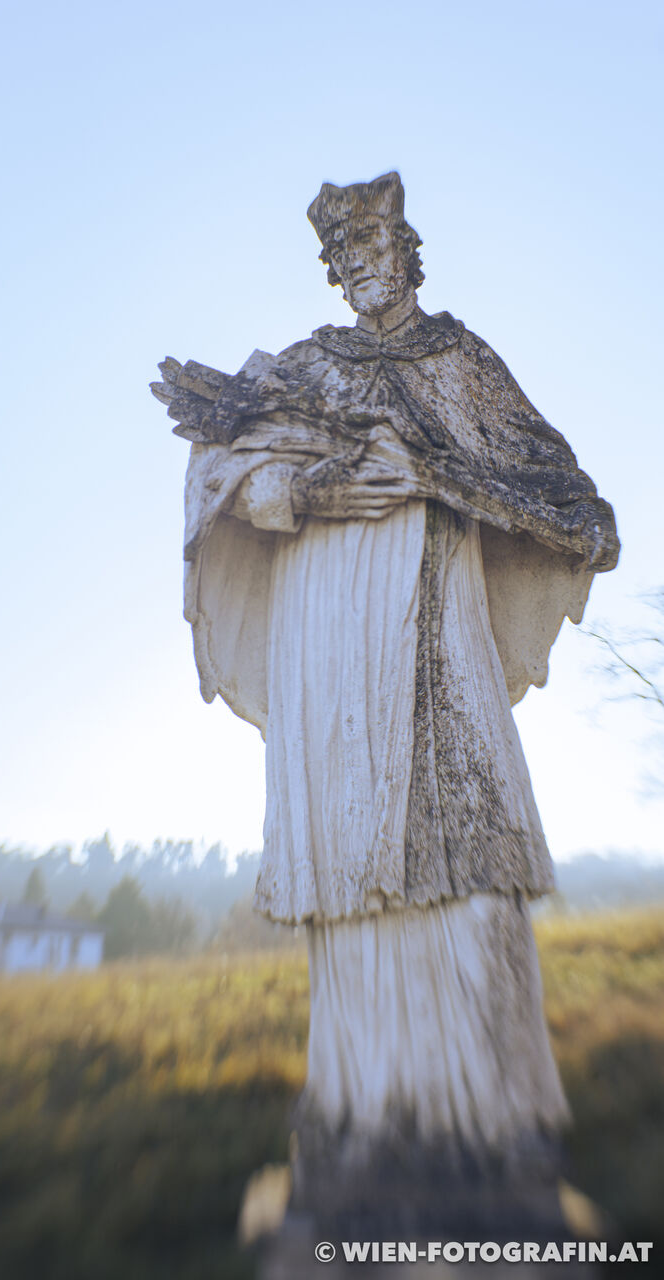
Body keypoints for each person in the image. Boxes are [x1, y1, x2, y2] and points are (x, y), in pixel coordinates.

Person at [152, 172, 618, 1233]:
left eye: (376, 252)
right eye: (344, 261)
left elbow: (574, 506)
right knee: (355, 888)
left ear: (408, 253)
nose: (363, 273)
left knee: (470, 886)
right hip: (330, 652)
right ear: (334, 272)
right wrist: (302, 493)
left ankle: (490, 1139)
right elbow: (220, 479)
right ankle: (364, 1129)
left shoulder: (460, 364)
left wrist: (437, 477)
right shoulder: (305, 366)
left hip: (432, 637)